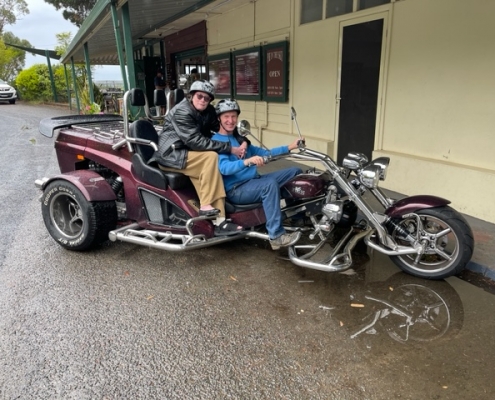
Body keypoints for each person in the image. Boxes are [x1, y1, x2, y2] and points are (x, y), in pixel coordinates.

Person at [150, 80, 249, 236]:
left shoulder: (207, 111)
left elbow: (224, 127)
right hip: (172, 155)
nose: (203, 100)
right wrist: (231, 149)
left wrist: (243, 141)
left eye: (207, 98)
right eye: (199, 96)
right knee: (210, 157)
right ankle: (206, 206)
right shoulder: (182, 112)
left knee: (211, 170)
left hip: (190, 155)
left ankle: (220, 223)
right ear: (191, 95)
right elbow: (195, 141)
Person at [211, 99, 303, 250]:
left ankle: (297, 217)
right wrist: (248, 162)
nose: (230, 120)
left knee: (295, 172)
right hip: (236, 189)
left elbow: (266, 153)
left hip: (253, 181)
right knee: (269, 185)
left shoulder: (239, 138)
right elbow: (224, 168)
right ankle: (276, 236)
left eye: (233, 116)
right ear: (219, 118)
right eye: (226, 116)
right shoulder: (216, 141)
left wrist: (290, 146)